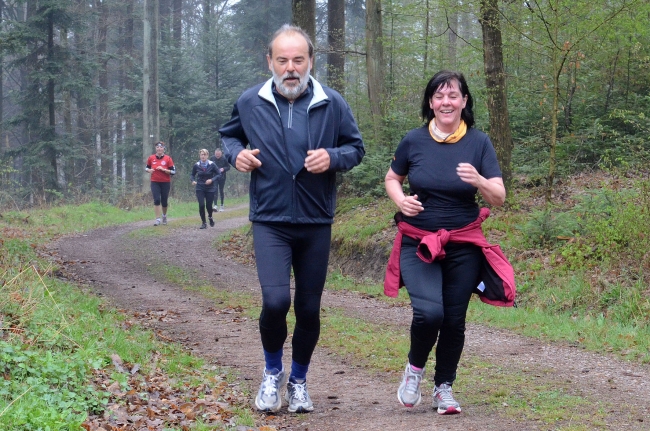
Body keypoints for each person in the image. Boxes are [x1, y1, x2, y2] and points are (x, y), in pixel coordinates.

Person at [219, 24, 365, 414]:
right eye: (282, 60)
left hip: (316, 221)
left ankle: (299, 381)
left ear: (310, 61)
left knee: (309, 309)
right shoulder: (251, 101)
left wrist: (332, 158)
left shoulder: (332, 102)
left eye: (298, 60)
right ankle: (272, 374)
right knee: (275, 300)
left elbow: (356, 148)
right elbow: (229, 136)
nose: (290, 68)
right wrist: (236, 156)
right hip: (269, 219)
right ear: (269, 61)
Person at [384, 70, 515, 415]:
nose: (446, 102)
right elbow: (392, 177)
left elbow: (499, 196)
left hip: (463, 243)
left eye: (453, 96)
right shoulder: (413, 140)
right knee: (430, 313)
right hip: (419, 242)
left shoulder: (479, 142)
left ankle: (444, 388)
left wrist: (479, 180)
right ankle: (414, 369)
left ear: (464, 101)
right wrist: (400, 200)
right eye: (439, 96)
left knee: (454, 320)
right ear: (431, 102)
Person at [146, 141, 176, 226]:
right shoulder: (151, 158)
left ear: (163, 149)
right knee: (156, 200)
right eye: (157, 147)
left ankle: (164, 216)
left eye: (161, 147)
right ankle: (158, 219)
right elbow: (146, 167)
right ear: (156, 149)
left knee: (164, 201)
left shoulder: (168, 159)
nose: (159, 149)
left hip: (165, 182)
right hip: (155, 182)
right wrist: (149, 170)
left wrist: (164, 170)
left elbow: (173, 171)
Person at [191, 148, 221, 229]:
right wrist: (193, 180)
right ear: (199, 156)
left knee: (208, 206)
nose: (203, 156)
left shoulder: (212, 164)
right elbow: (192, 175)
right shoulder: (196, 165)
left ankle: (210, 217)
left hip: (210, 188)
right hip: (200, 187)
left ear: (207, 155)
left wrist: (212, 180)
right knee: (201, 205)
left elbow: (219, 174)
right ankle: (203, 222)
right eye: (201, 155)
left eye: (204, 155)